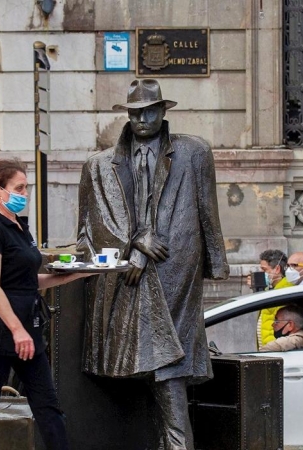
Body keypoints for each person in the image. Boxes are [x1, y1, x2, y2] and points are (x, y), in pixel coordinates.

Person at [77, 79, 229, 450]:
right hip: (127, 280)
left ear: (163, 112)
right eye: (135, 112)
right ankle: (174, 442)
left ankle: (176, 442)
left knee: (167, 360)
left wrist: (216, 263)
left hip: (176, 268)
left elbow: (207, 210)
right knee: (160, 365)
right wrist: (133, 244)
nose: (142, 118)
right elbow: (86, 232)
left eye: (149, 110)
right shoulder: (98, 166)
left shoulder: (194, 153)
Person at [0, 159, 93, 450]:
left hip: (27, 328)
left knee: (47, 404)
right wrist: (17, 330)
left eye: (26, 187)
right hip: (0, 331)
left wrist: (78, 273)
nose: (25, 193)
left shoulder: (20, 227)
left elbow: (29, 281)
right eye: (19, 188)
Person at [257, 249, 294, 348]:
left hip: (274, 348)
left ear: (277, 269)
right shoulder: (271, 290)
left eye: (264, 270)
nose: (261, 273)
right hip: (269, 347)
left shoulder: (285, 292)